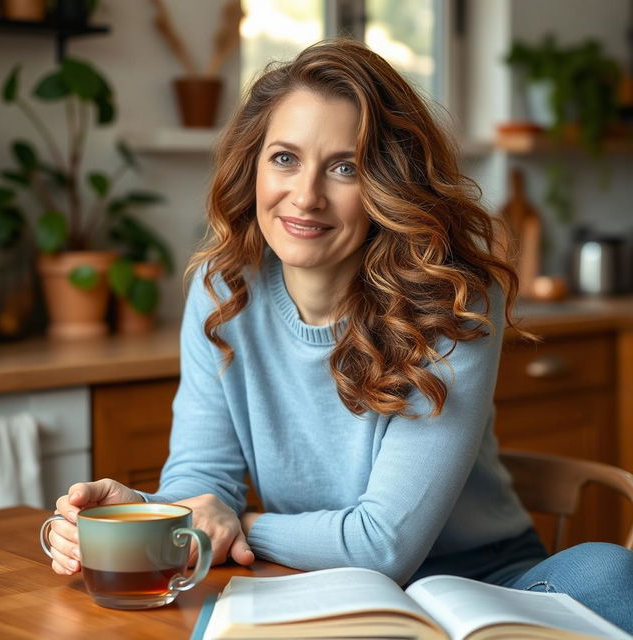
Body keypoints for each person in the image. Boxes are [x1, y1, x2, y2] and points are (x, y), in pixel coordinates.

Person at [46, 39, 633, 631]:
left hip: (481, 585)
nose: (305, 196)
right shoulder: (220, 290)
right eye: (284, 158)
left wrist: (240, 523)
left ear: (388, 182)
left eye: (345, 167)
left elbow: (384, 545)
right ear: (252, 164)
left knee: (608, 573)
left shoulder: (455, 302)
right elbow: (201, 483)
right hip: (316, 584)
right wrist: (141, 512)